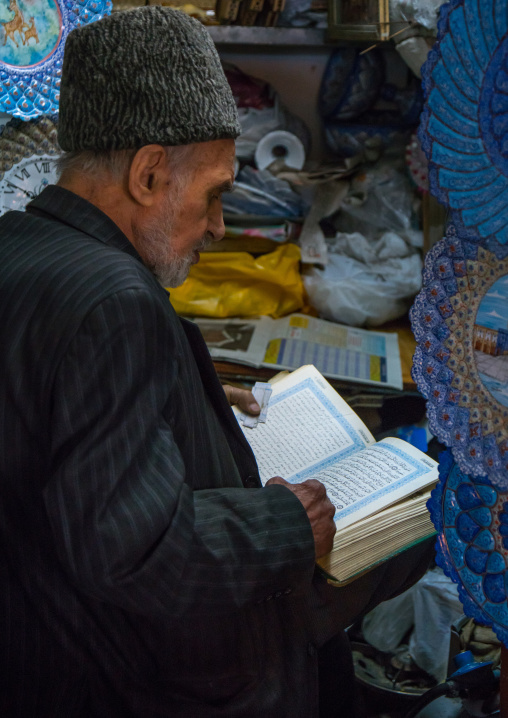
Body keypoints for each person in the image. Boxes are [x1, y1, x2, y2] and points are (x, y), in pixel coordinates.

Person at [0, 7, 433, 717]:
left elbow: (54, 443)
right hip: (134, 680)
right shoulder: (113, 302)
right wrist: (287, 525)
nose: (218, 227)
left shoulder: (19, 248)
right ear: (146, 174)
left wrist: (178, 400)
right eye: (214, 194)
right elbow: (138, 555)